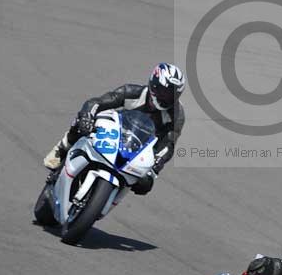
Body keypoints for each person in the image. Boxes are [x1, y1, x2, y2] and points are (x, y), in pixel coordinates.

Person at [43, 63, 186, 195]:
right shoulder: (132, 92)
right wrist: (87, 115)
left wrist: (154, 169)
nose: (167, 98)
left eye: (173, 95)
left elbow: (168, 145)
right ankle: (62, 149)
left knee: (144, 185)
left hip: (138, 148)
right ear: (154, 85)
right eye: (165, 93)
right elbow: (97, 103)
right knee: (83, 121)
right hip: (112, 132)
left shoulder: (176, 115)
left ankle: (104, 198)